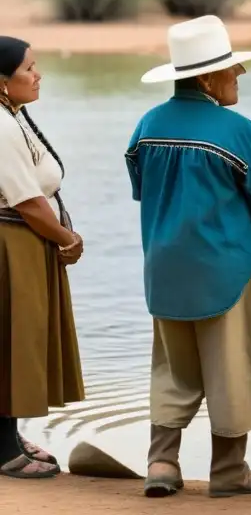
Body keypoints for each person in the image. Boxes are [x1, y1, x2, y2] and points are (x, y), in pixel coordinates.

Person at [126, 15, 251, 498]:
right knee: (230, 367)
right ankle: (228, 471)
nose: (239, 75)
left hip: (163, 265)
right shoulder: (236, 129)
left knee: (171, 369)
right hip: (226, 265)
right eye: (231, 69)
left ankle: (161, 464)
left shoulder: (146, 125)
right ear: (206, 78)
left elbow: (142, 191)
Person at [0, 36, 85, 480]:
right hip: (10, 244)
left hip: (21, 241)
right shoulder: (0, 125)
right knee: (11, 340)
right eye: (29, 68)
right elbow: (27, 201)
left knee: (17, 339)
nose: (38, 75)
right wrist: (67, 239)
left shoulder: (11, 118)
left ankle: (8, 436)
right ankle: (1, 449)